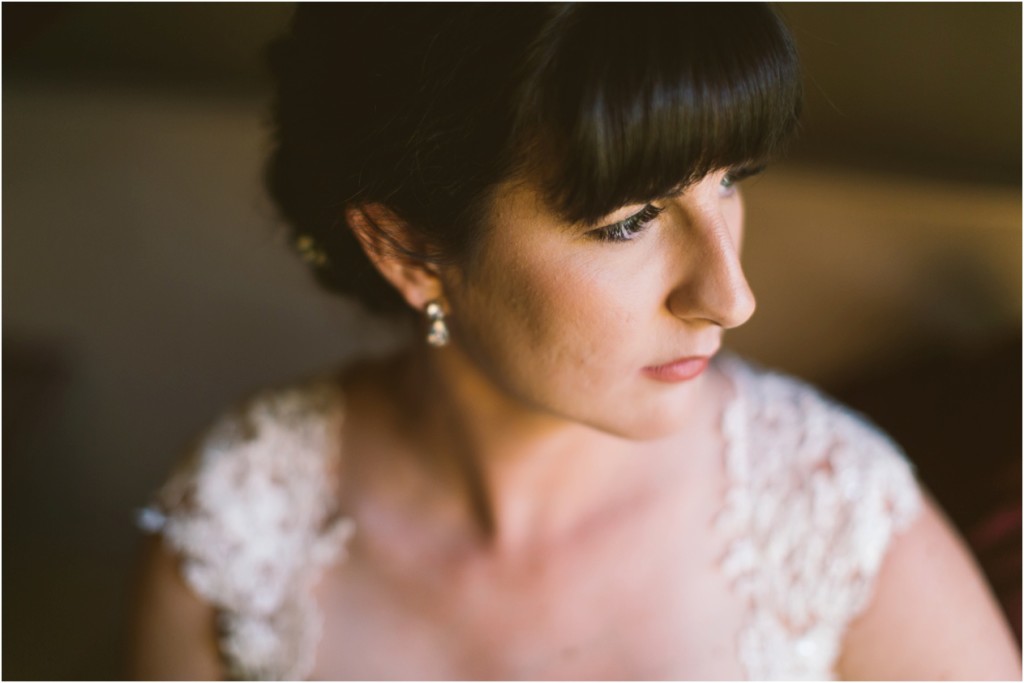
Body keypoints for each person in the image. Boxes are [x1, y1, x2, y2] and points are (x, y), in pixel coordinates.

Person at [130, 5, 1021, 680]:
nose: (730, 297)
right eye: (629, 222)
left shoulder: (839, 527)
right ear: (406, 247)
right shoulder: (239, 531)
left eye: (731, 182)